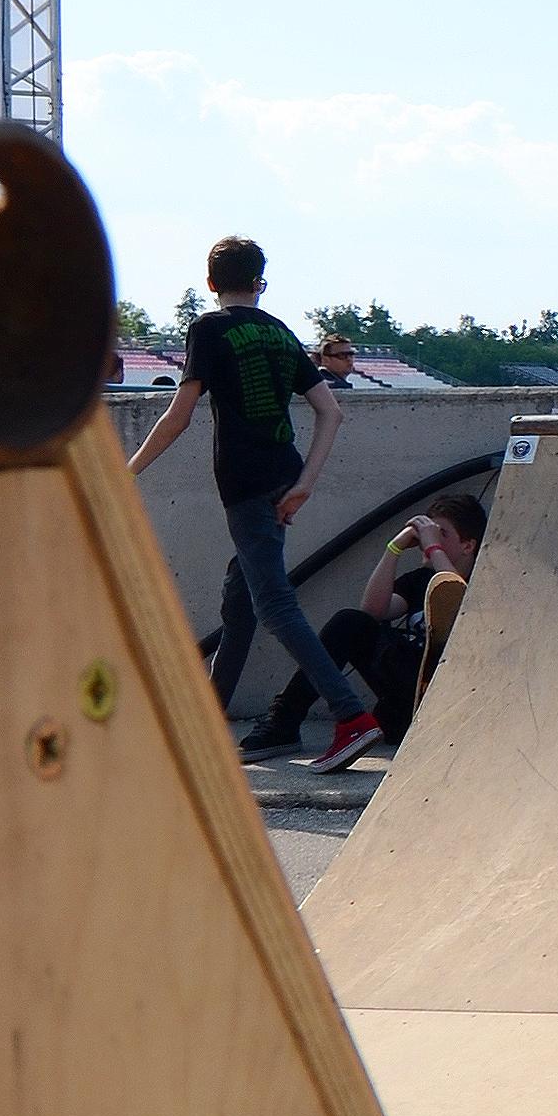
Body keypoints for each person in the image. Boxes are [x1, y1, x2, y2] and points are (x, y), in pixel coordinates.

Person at [130, 238, 383, 770]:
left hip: (245, 483)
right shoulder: (279, 331)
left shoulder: (208, 329)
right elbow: (330, 412)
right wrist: (305, 483)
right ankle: (208, 721)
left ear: (210, 282)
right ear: (260, 282)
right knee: (240, 598)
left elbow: (179, 415)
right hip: (284, 476)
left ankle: (351, 716)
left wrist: (126, 472)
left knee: (273, 604)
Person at [239, 490, 486, 756]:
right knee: (350, 622)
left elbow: (458, 601)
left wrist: (433, 547)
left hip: (448, 699)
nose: (429, 540)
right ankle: (284, 721)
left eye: (442, 534)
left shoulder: (485, 582)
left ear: (468, 546)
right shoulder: (419, 579)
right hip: (403, 700)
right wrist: (394, 548)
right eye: (429, 532)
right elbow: (372, 610)